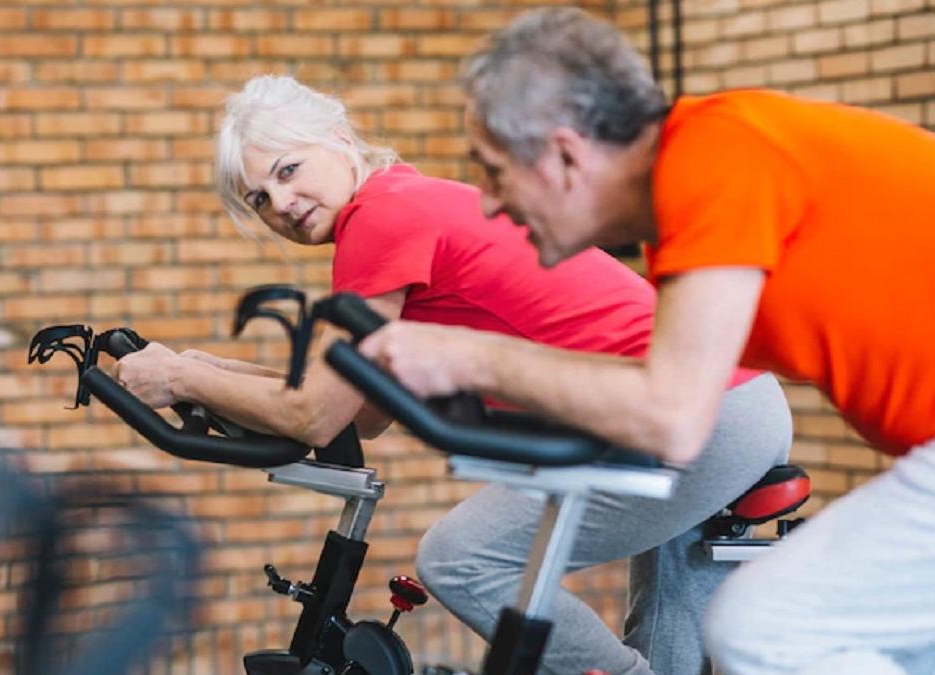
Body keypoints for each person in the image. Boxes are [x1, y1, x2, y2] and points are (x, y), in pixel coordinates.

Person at [112, 74, 793, 674]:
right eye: (259, 199)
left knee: (461, 557)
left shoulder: (378, 221)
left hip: (694, 412)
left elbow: (317, 414)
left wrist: (183, 380)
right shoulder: (403, 202)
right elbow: (363, 406)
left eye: (288, 170)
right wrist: (203, 366)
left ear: (339, 136)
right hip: (728, 398)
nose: (281, 203)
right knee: (663, 634)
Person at [354, 8, 935, 675]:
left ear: (564, 154)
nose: (488, 204)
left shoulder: (712, 160)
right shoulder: (683, 204)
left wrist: (471, 356)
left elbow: (672, 414)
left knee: (766, 627)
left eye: (492, 172)